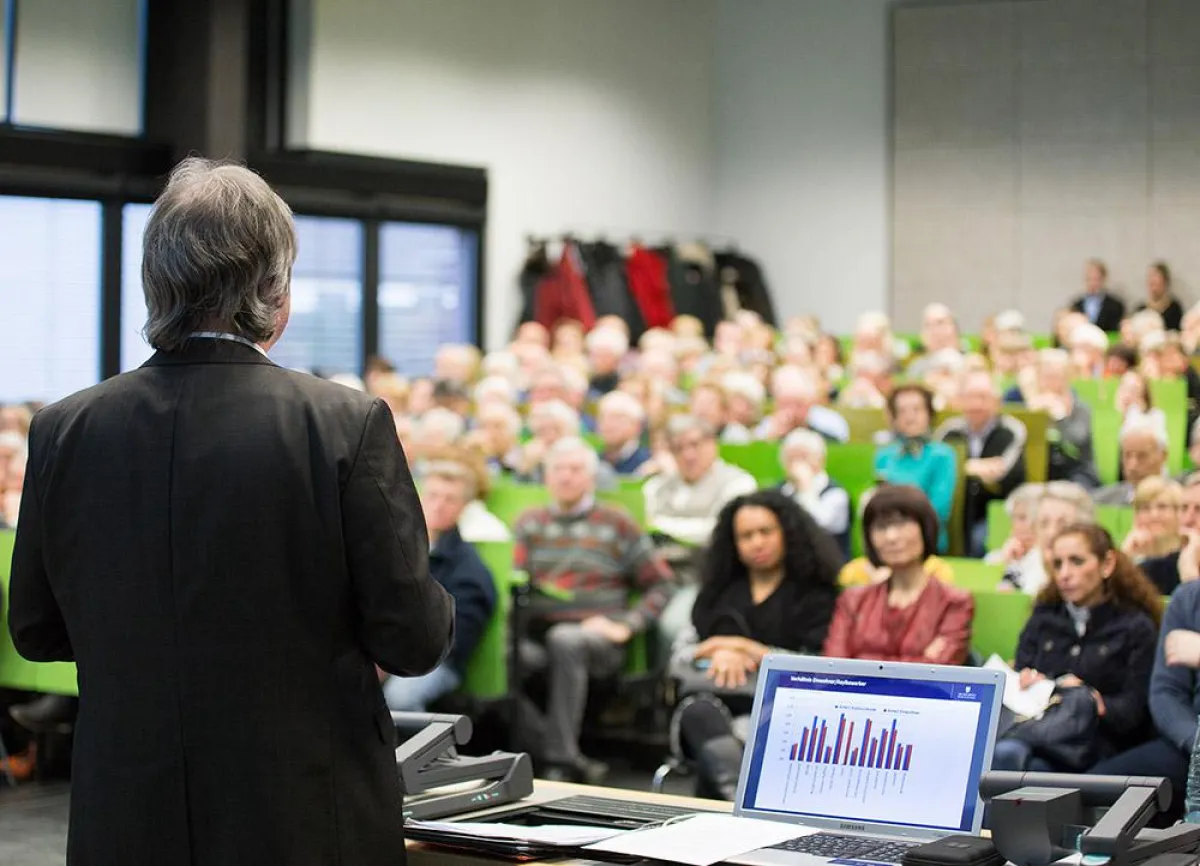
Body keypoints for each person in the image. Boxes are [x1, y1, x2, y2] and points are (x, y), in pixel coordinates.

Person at [7, 158, 454, 866]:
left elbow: (34, 628)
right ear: (274, 292)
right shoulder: (344, 424)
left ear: (157, 284)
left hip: (125, 812)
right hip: (304, 814)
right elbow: (413, 639)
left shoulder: (66, 427)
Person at [512, 438, 675, 783]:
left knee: (566, 638)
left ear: (590, 478)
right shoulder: (529, 523)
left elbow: (661, 584)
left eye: (575, 470)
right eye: (558, 469)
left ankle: (559, 763)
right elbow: (515, 579)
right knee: (509, 655)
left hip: (599, 637)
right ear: (546, 477)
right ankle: (562, 753)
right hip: (538, 633)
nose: (566, 477)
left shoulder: (616, 522)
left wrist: (629, 624)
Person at [673, 491, 840, 800]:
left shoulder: (815, 595)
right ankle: (737, 798)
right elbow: (679, 659)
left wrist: (746, 648)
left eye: (766, 532)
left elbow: (817, 665)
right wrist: (719, 652)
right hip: (715, 704)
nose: (757, 543)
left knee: (727, 741)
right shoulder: (716, 593)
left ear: (786, 532)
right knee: (699, 713)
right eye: (746, 535)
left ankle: (727, 798)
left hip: (784, 712)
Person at [992, 524, 1161, 772]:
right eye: (1058, 564)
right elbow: (1022, 670)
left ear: (1107, 564)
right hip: (1037, 729)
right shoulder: (1044, 617)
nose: (1064, 574)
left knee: (1018, 760)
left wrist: (1093, 699)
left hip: (1098, 744)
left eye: (1077, 562)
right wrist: (1032, 682)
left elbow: (1134, 712)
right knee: (1009, 755)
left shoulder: (1136, 627)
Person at [383, 460, 496, 712]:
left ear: (463, 508)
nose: (438, 505)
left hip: (435, 661)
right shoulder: (391, 547)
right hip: (383, 649)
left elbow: (456, 639)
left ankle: (420, 752)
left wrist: (393, 655)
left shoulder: (469, 569)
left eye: (450, 499)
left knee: (400, 697)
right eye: (432, 495)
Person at [823, 486, 974, 664]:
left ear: (924, 528)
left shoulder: (954, 603)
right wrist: (919, 657)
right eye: (880, 527)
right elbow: (832, 668)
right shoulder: (853, 600)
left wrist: (863, 661)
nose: (891, 536)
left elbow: (936, 672)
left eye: (902, 523)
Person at [1090, 578, 1200, 821]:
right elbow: (1167, 692)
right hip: (1191, 744)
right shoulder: (1189, 598)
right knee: (1093, 793)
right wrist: (1196, 743)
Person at [935, 370, 1028, 557]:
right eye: (970, 397)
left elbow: (1002, 472)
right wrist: (973, 467)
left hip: (996, 511)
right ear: (960, 400)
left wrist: (962, 466)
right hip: (953, 508)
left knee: (979, 540)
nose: (976, 404)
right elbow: (937, 468)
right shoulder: (948, 431)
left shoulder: (1011, 430)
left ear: (996, 401)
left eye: (983, 397)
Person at [643, 416, 758, 547]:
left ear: (713, 445)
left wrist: (662, 526)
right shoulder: (656, 486)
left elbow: (719, 531)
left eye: (694, 445)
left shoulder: (739, 483)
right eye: (678, 448)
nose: (688, 455)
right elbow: (645, 525)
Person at [874, 384, 957, 552]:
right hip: (887, 539)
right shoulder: (884, 456)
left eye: (917, 409)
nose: (909, 417)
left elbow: (939, 509)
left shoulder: (942, 455)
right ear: (894, 418)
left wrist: (903, 528)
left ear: (929, 414)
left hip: (927, 539)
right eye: (902, 411)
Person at [1000, 482, 1095, 596]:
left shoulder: (1090, 577)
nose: (1052, 533)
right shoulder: (1018, 567)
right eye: (1044, 524)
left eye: (1063, 525)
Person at [777, 428, 851, 558]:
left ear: (820, 460)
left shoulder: (835, 494)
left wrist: (805, 488)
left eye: (803, 457)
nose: (796, 464)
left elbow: (820, 524)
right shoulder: (779, 491)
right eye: (790, 458)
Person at [1122, 477, 1186, 592]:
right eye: (1145, 508)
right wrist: (1125, 555)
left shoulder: (1188, 557)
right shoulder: (1131, 558)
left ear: (1178, 513)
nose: (1154, 515)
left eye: (1162, 507)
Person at [1094, 416, 1168, 505]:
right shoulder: (1102, 501)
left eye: (1142, 456)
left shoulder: (1182, 501)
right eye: (1127, 455)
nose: (1132, 465)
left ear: (1163, 456)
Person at [986, 483, 1044, 566]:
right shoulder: (995, 558)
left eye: (1035, 518)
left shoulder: (1053, 559)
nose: (1029, 524)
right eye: (1021, 517)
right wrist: (1005, 560)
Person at [595, 390, 651, 476]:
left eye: (617, 418)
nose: (609, 424)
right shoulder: (593, 462)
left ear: (637, 425)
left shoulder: (648, 463)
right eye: (603, 418)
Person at [1070, 258, 1126, 332]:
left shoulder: (1115, 305)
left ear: (1103, 279)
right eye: (1089, 279)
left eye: (1096, 279)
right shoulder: (1076, 305)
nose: (1092, 284)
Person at [1137, 261, 1184, 332]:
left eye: (1156, 283)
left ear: (1165, 282)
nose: (1153, 287)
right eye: (1151, 283)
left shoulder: (1174, 309)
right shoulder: (1141, 309)